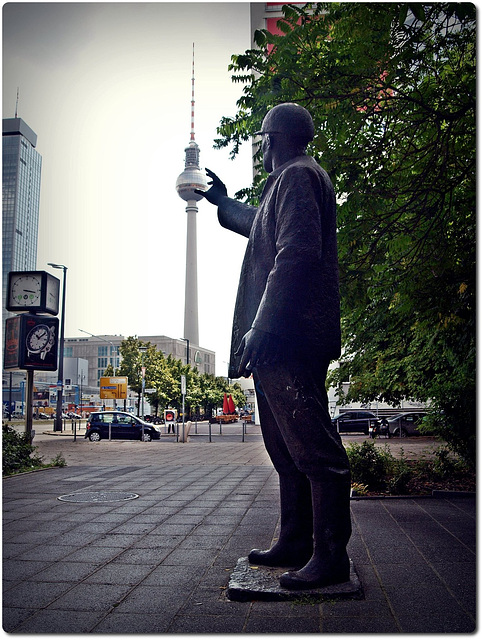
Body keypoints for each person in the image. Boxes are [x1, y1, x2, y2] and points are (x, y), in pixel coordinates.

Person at [195, 103, 351, 590]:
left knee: (313, 447)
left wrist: (264, 326)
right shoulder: (287, 183)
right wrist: (222, 201)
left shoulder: (300, 177)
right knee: (284, 447)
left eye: (261, 138)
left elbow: (298, 251)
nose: (259, 147)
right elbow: (255, 222)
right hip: (279, 338)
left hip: (289, 336)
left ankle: (330, 556)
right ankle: (295, 539)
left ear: (277, 138)